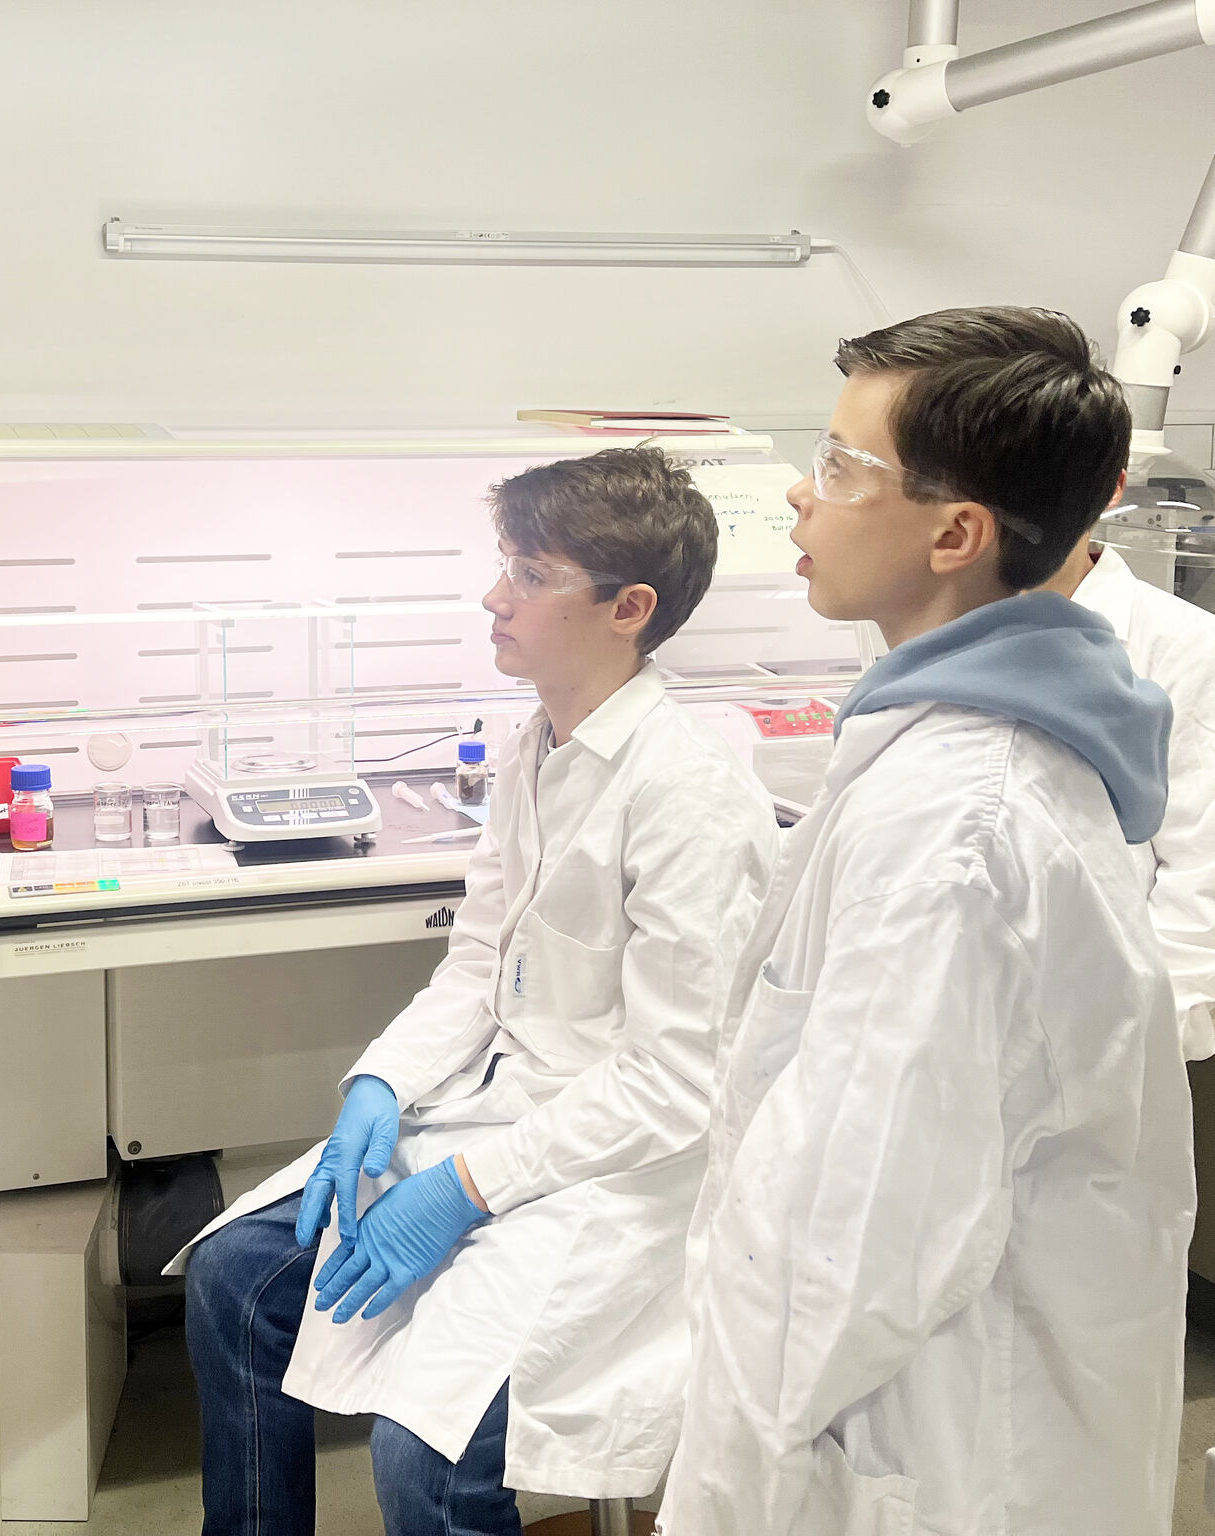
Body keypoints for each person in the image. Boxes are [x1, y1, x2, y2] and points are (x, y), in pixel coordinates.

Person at [175, 447, 781, 1535]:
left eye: (531, 575)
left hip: (622, 1175)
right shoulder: (537, 744)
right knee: (235, 1280)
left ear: (628, 609)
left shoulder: (688, 793)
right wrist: (381, 1082)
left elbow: (677, 1081)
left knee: (424, 1453)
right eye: (506, 564)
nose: (494, 598)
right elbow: (479, 962)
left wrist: (467, 1186)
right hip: (495, 1116)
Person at [659, 309, 1193, 1535]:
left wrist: (736, 1476)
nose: (801, 492)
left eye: (842, 466)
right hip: (904, 1408)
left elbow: (863, 1241)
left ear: (956, 535)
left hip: (921, 1445)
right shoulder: (941, 758)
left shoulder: (957, 831)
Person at [1042, 517, 1215, 1059]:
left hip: (1120, 1046)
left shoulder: (1188, 647)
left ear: (1111, 488)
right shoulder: (952, 631)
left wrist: (1128, 1050)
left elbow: (1200, 892)